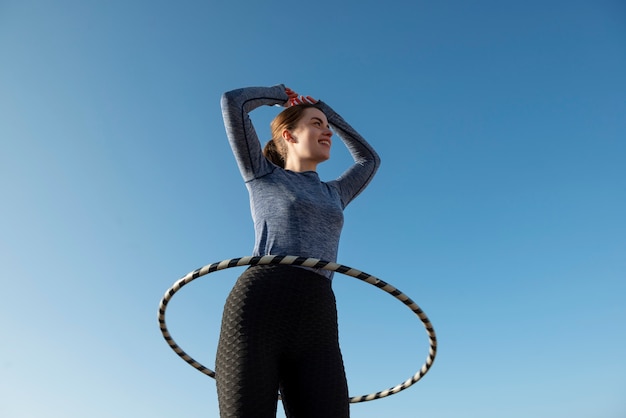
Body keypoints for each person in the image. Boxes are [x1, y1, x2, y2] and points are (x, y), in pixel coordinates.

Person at [216, 84, 380, 418]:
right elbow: (233, 102)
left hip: (318, 311)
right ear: (289, 135)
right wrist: (278, 94)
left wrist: (323, 108)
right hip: (261, 303)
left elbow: (369, 159)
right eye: (316, 124)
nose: (327, 131)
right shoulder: (261, 175)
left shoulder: (336, 193)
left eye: (327, 126)